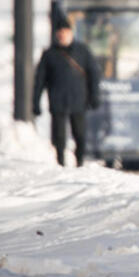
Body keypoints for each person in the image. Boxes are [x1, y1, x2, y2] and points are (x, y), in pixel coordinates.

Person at [33, 18, 101, 167]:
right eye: (60, 32)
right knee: (59, 136)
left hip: (78, 99)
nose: (62, 35)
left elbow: (93, 73)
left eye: (65, 31)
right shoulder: (49, 54)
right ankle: (61, 162)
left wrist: (94, 95)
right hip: (58, 100)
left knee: (80, 134)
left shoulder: (82, 51)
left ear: (71, 32)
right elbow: (40, 80)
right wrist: (35, 101)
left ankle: (80, 161)